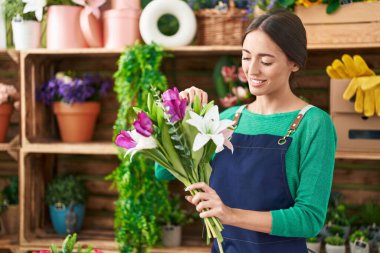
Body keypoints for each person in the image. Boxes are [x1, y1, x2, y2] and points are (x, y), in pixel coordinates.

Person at [155, 9, 337, 253]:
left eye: (266, 61)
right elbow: (163, 173)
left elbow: (309, 220)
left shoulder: (313, 124)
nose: (252, 70)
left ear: (294, 62)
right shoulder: (227, 119)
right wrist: (180, 119)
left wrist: (230, 215)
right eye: (246, 57)